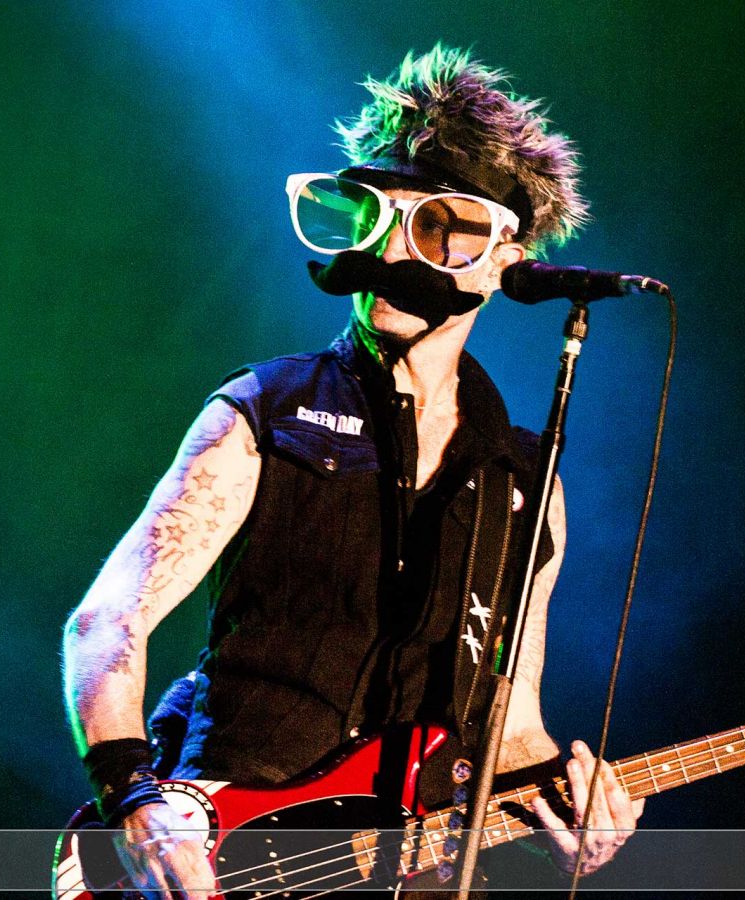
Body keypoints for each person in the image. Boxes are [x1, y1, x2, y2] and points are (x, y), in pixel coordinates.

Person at [61, 44, 643, 897]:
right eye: (375, 216)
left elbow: (512, 727)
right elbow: (105, 622)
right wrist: (136, 802)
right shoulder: (266, 411)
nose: (392, 249)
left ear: (503, 260)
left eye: (436, 226)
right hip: (226, 851)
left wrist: (576, 824)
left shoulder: (524, 481)